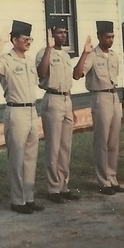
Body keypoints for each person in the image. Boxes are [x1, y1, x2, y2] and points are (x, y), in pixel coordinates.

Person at [0, 20, 44, 214]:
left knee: (30, 157)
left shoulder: (29, 61)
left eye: (30, 38)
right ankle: (17, 200)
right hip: (16, 111)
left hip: (31, 111)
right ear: (14, 40)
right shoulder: (6, 59)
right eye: (24, 38)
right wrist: (1, 42)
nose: (28, 41)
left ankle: (28, 198)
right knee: (17, 157)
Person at [73, 21, 124, 195]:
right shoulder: (92, 55)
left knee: (113, 140)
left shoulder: (113, 55)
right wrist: (84, 53)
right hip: (100, 96)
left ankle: (112, 177)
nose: (110, 40)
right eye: (107, 37)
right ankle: (103, 180)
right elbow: (77, 75)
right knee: (102, 140)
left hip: (114, 96)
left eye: (112, 37)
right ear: (99, 37)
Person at [36, 17, 81, 204]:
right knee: (53, 146)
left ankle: (64, 186)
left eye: (65, 32)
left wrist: (71, 106)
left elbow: (69, 82)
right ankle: (53, 188)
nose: (63, 35)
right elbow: (42, 73)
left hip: (66, 100)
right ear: (51, 34)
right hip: (52, 98)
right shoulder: (43, 53)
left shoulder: (65, 55)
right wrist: (48, 48)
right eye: (59, 32)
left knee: (65, 147)